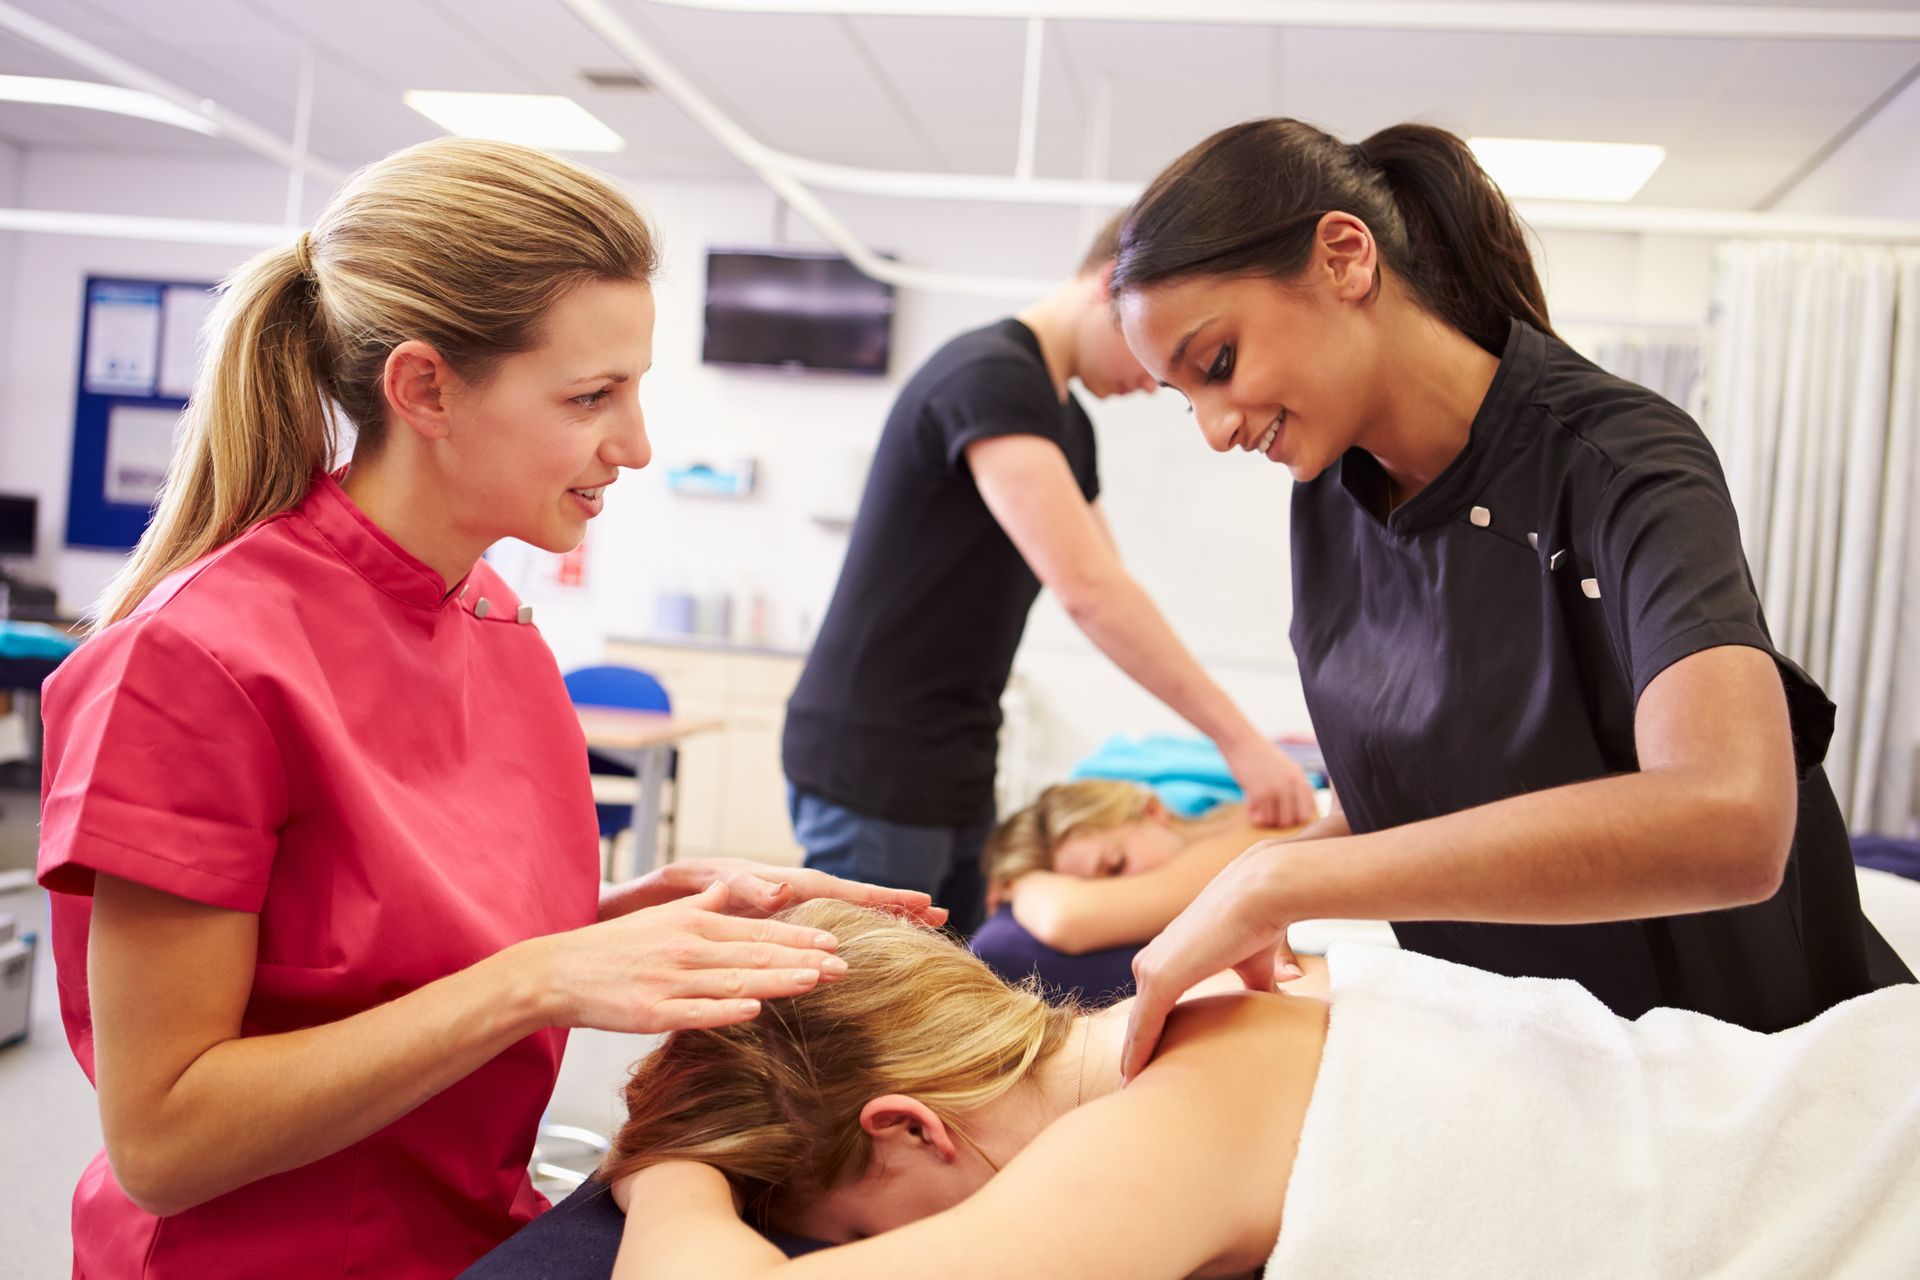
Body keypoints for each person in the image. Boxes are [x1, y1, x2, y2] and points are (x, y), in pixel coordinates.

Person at [34, 138, 936, 1279]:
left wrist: (639, 919)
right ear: (424, 389)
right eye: (591, 396)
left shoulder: (491, 616)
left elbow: (362, 945)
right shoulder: (195, 660)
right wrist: (542, 975)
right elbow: (164, 1137)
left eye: (637, 388)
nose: (638, 444)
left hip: (466, 1233)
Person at [1102, 118, 1910, 1079]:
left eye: (1218, 364)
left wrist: (1289, 877)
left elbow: (1733, 822)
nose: (1215, 429)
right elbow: (1438, 786)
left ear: (1344, 258)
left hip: (1739, 1060)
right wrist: (1247, 883)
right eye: (1180, 396)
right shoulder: (1329, 500)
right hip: (1540, 1055)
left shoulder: (1620, 464)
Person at [586, 901, 1920, 1279]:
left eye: (865, 1237)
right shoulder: (1248, 1000)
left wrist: (665, 1174)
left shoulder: (1152, 1133)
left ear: (907, 1126)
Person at [782, 220, 1316, 934]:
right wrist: (1240, 743)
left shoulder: (1068, 424)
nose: (1156, 381)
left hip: (957, 757)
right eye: (1149, 346)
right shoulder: (990, 376)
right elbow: (1088, 593)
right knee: (866, 1019)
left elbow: (1112, 587)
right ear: (1107, 288)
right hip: (873, 759)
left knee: (949, 995)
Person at [982, 779, 1293, 954]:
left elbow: (1065, 917)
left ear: (1153, 811)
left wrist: (1019, 881)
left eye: (1115, 867)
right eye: (1095, 888)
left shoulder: (1240, 843)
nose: (1120, 895)